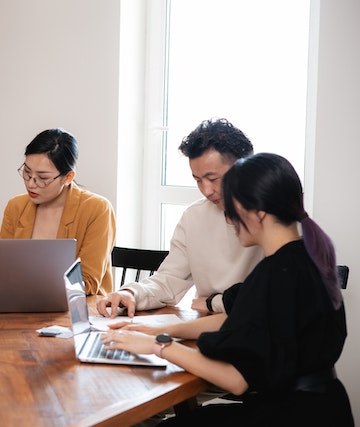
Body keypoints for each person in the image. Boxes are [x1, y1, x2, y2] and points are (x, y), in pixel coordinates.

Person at [103, 153, 354, 426]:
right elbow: (242, 320)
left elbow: (235, 380)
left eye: (232, 209)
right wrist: (161, 331)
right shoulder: (306, 258)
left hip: (291, 414)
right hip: (325, 407)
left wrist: (157, 346)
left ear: (258, 212)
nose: (228, 218)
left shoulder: (273, 275)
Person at [97, 118, 264, 316]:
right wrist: (131, 292)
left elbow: (270, 294)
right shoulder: (195, 216)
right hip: (206, 327)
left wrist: (213, 302)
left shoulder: (270, 218)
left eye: (212, 179)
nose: (206, 190)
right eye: (198, 180)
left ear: (244, 169)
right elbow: (169, 280)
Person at [0, 128, 116, 295]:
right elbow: (2, 268)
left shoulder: (97, 209)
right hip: (23, 304)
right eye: (26, 172)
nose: (31, 184)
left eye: (43, 178)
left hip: (78, 310)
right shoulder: (15, 206)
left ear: (68, 177)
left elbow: (88, 282)